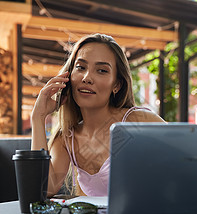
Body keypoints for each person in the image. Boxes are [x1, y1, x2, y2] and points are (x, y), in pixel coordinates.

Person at [31, 33, 165, 197]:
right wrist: (37, 117)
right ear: (68, 76)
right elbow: (45, 188)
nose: (87, 78)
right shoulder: (66, 139)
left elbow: (187, 158)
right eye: (80, 67)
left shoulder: (137, 120)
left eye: (102, 70)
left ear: (117, 84)